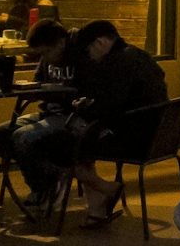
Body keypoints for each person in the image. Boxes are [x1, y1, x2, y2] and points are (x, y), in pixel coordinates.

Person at [64, 20, 168, 226]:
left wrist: (84, 107)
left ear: (100, 43)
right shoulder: (140, 56)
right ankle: (97, 210)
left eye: (88, 51)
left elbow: (109, 108)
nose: (89, 57)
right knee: (84, 138)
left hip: (134, 140)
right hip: (160, 137)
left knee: (67, 145)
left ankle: (107, 190)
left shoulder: (117, 63)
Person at [0, 20, 81, 214]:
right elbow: (38, 81)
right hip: (48, 111)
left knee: (22, 137)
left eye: (46, 52)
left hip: (69, 115)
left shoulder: (80, 58)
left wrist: (56, 92)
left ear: (61, 43)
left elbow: (85, 91)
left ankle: (44, 187)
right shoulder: (47, 58)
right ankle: (48, 176)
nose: (45, 57)